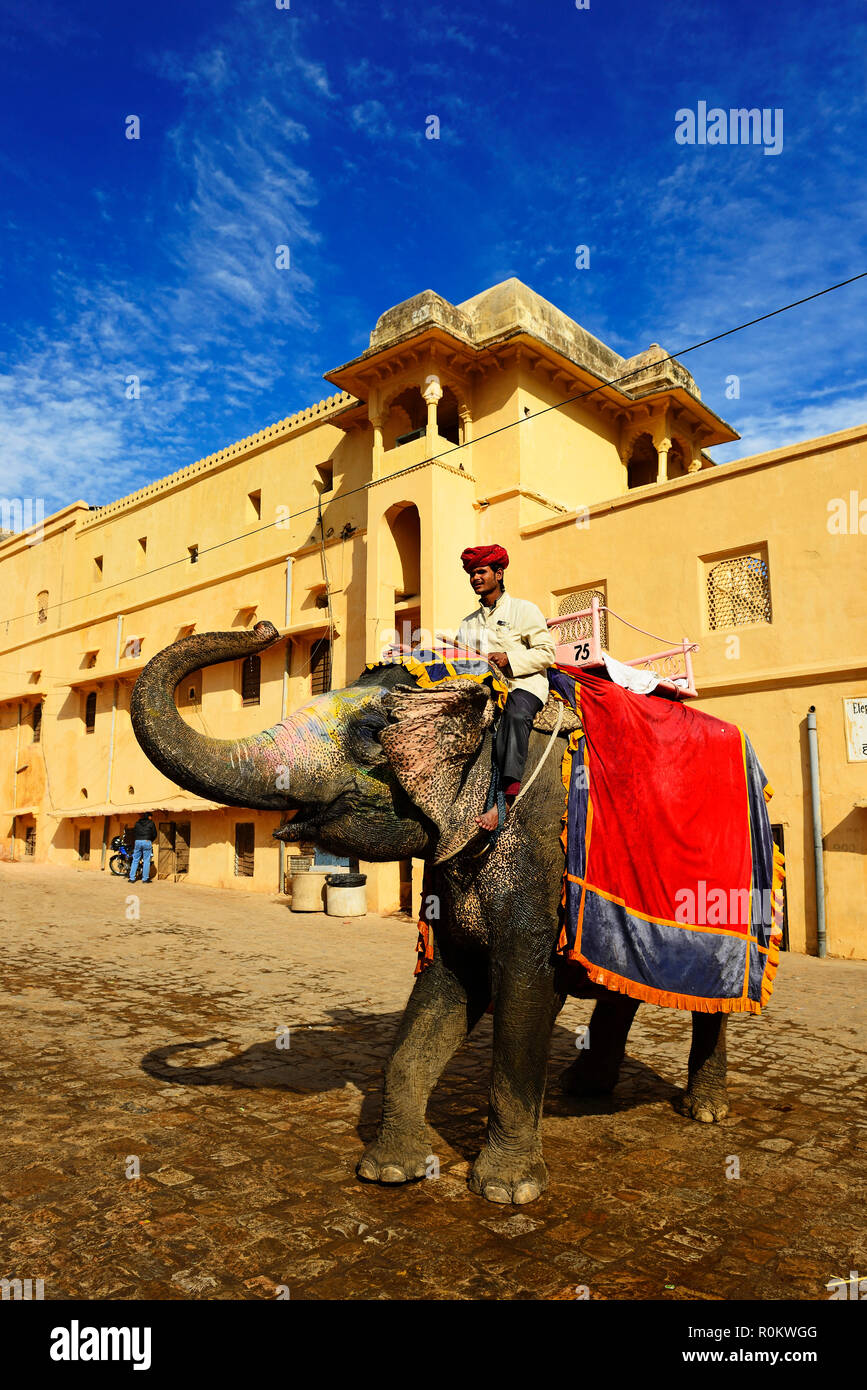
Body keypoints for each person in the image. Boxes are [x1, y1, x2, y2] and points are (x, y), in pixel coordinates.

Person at [456, 544, 556, 831]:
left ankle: (506, 801)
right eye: (472, 573)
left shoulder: (525, 610)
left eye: (481, 571)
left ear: (498, 574)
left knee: (514, 716)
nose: (475, 577)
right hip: (484, 691)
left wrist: (509, 659)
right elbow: (464, 664)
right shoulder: (467, 625)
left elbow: (546, 653)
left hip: (522, 685)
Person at [129, 812, 157, 883]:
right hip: (147, 841)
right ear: (149, 817)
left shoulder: (137, 823)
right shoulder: (151, 823)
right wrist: (150, 840)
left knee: (135, 860)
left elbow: (134, 832)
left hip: (137, 841)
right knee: (146, 861)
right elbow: (154, 834)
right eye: (151, 816)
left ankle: (132, 878)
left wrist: (137, 839)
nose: (151, 818)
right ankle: (145, 879)